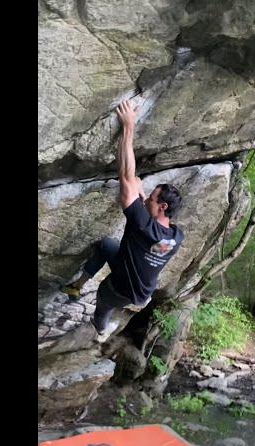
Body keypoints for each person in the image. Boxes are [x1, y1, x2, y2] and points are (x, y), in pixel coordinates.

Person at [62, 99, 184, 334]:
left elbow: (126, 177)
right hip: (141, 288)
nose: (146, 198)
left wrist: (128, 126)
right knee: (106, 245)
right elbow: (147, 222)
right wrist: (140, 195)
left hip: (121, 290)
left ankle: (100, 329)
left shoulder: (142, 225)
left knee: (102, 305)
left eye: (151, 198)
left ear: (163, 206)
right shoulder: (176, 236)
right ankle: (77, 286)